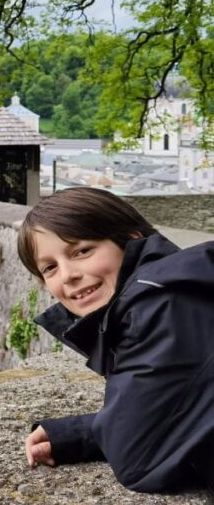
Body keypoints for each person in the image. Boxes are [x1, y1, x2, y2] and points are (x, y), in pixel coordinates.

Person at [17, 187, 214, 493]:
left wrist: (95, 433)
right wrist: (82, 433)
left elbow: (137, 459)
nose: (68, 275)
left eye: (82, 251)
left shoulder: (159, 307)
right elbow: (179, 409)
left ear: (131, 239)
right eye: (50, 267)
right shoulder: (172, 288)